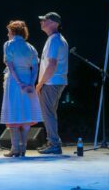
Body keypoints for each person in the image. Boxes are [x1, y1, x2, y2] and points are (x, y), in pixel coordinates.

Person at [0, 20, 43, 157]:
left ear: (12, 32)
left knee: (14, 114)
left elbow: (10, 65)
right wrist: (31, 83)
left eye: (8, 31)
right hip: (28, 81)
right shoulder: (30, 47)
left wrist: (19, 83)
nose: (7, 34)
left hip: (14, 82)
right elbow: (35, 67)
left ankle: (15, 149)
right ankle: (23, 147)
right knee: (25, 115)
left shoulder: (9, 44)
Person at [36, 12, 68, 155]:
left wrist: (40, 83)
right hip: (56, 81)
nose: (41, 22)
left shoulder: (54, 40)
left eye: (44, 20)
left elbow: (52, 64)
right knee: (50, 113)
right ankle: (53, 142)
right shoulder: (56, 39)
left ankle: (54, 143)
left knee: (47, 113)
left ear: (54, 23)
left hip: (51, 82)